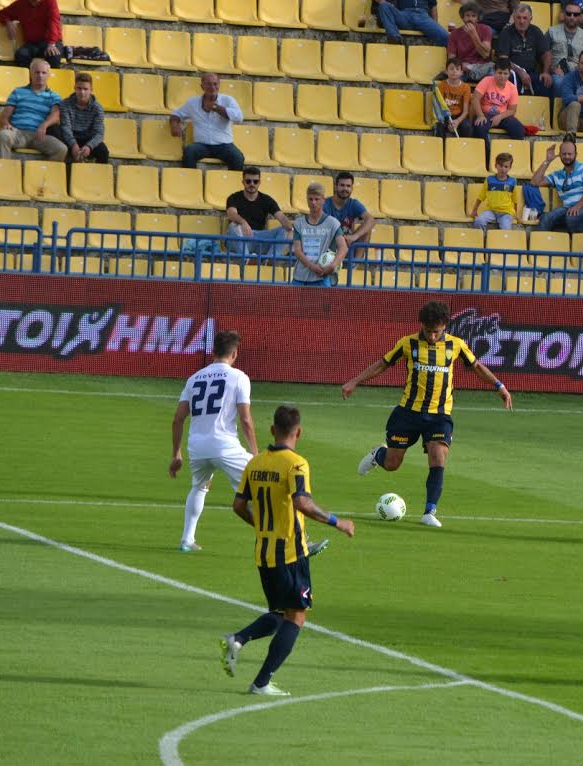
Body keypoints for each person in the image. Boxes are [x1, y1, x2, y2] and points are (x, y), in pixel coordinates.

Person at [219, 405, 356, 697]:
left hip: (263, 552)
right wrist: (338, 522)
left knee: (279, 614)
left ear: (272, 430)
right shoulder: (296, 464)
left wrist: (262, 527)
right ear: (299, 432)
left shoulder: (255, 463)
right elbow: (302, 503)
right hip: (291, 554)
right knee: (296, 617)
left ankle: (238, 639)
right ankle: (261, 682)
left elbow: (238, 505)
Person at [342, 301, 513, 529]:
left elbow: (477, 366)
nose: (432, 336)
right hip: (408, 413)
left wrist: (499, 386)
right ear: (421, 324)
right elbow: (382, 364)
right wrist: (355, 381)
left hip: (439, 416)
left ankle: (429, 511)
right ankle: (379, 454)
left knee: (438, 455)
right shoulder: (408, 343)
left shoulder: (456, 345)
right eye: (429, 331)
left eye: (437, 332)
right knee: (392, 464)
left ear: (445, 327)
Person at [169, 330, 258, 553]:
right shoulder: (239, 377)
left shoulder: (194, 378)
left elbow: (178, 419)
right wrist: (255, 453)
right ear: (234, 354)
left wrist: (176, 453)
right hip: (224, 446)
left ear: (213, 352)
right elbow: (246, 419)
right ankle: (292, 539)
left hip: (197, 447)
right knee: (264, 483)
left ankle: (187, 540)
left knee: (199, 487)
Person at [170, 72, 245, 171]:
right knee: (189, 152)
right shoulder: (192, 102)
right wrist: (174, 125)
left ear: (219, 85)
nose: (212, 87)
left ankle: (234, 181)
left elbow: (239, 118)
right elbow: (176, 114)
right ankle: (191, 180)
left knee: (238, 157)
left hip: (224, 145)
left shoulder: (228, 100)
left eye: (215, 84)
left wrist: (216, 108)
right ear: (202, 86)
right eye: (208, 84)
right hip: (202, 145)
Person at [530, 137, 583, 233]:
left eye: (570, 154)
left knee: (572, 217)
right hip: (568, 209)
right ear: (559, 155)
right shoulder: (557, 175)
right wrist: (547, 161)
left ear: (576, 154)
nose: (567, 156)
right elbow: (534, 182)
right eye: (564, 154)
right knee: (546, 218)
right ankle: (540, 242)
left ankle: (576, 240)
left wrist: (577, 207)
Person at [0, 58, 66, 160]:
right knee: (3, 136)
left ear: (49, 75)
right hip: (18, 132)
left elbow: (56, 116)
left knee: (61, 149)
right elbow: (5, 116)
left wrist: (44, 125)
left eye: (44, 73)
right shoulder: (18, 92)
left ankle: (44, 170)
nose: (40, 75)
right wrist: (6, 124)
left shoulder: (54, 96)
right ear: (31, 74)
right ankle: (4, 168)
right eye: (37, 72)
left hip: (39, 135)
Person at [225, 167, 294, 258]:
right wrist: (243, 222)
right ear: (243, 182)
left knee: (285, 230)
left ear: (259, 183)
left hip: (259, 240)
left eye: (255, 181)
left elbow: (281, 217)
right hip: (239, 239)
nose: (252, 184)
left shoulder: (266, 200)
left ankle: (270, 260)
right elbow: (231, 214)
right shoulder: (234, 197)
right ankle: (247, 259)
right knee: (234, 226)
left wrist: (292, 228)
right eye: (248, 181)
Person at [291, 182, 347, 287]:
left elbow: (343, 248)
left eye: (317, 199)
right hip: (300, 277)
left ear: (323, 200)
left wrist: (333, 265)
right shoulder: (299, 223)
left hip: (321, 277)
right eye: (310, 199)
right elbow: (297, 250)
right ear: (307, 200)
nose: (313, 203)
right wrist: (311, 266)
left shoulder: (332, 223)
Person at [55, 71, 107, 176]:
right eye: (79, 88)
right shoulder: (65, 104)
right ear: (74, 88)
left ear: (91, 90)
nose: (82, 92)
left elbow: (99, 133)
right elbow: (66, 127)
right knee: (58, 137)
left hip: (87, 137)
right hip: (70, 136)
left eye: (85, 89)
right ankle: (64, 177)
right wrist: (73, 145)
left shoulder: (98, 108)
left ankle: (99, 179)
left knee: (103, 151)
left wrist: (89, 146)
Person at [496, 3, 553, 96]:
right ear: (514, 18)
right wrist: (520, 72)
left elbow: (546, 54)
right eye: (518, 18)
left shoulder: (536, 31)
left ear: (530, 19)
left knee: (545, 81)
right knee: (508, 79)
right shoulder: (505, 33)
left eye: (525, 18)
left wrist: (546, 72)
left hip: (532, 72)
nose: (521, 21)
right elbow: (503, 59)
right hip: (512, 72)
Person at [471, 58, 526, 142]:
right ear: (494, 71)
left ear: (509, 73)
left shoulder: (512, 88)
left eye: (505, 73)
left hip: (502, 116)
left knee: (519, 129)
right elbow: (475, 99)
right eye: (500, 73)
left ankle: (509, 150)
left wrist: (499, 117)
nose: (502, 76)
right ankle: (487, 150)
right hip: (485, 114)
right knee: (480, 128)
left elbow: (512, 110)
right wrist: (480, 115)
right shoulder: (486, 81)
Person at [0, 0, 62, 69]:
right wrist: (8, 22)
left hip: (50, 42)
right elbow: (0, 14)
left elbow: (53, 22)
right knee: (21, 55)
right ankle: (28, 76)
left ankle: (51, 76)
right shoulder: (21, 3)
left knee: (53, 55)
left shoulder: (50, 2)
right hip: (31, 44)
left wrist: (51, 43)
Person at [324, 171, 376, 255]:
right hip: (329, 245)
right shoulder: (325, 204)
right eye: (342, 185)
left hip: (347, 243)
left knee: (366, 230)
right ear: (336, 187)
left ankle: (356, 262)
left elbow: (371, 220)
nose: (345, 189)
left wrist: (355, 236)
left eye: (348, 186)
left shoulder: (354, 204)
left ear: (352, 188)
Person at [547, 2, 583, 93]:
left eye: (575, 15)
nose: (572, 17)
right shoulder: (551, 32)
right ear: (564, 15)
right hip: (557, 71)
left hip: (578, 73)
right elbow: (543, 55)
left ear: (580, 16)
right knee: (559, 82)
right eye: (569, 14)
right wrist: (553, 69)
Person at [447, 3, 494, 83]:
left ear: (478, 18)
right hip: (463, 68)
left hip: (482, 67)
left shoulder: (486, 29)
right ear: (462, 17)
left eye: (473, 16)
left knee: (493, 74)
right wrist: (461, 65)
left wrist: (473, 35)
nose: (470, 18)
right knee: (453, 76)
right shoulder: (454, 34)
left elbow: (485, 54)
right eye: (467, 15)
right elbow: (451, 58)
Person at [472, 152, 517, 230]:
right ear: (496, 165)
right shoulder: (489, 180)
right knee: (479, 221)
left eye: (506, 166)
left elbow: (515, 200)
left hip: (506, 212)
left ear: (510, 167)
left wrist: (515, 214)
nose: (503, 169)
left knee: (506, 228)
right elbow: (481, 197)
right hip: (491, 211)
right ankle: (484, 236)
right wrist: (474, 210)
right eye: (501, 166)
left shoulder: (512, 181)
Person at [373, 0, 448, 45]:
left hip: (423, 17)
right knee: (384, 5)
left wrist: (435, 25)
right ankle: (394, 37)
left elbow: (433, 7)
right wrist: (383, 1)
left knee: (446, 37)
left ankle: (450, 63)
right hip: (404, 15)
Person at [437, 58, 477, 138]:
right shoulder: (441, 85)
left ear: (461, 72)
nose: (454, 71)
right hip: (445, 115)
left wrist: (458, 121)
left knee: (467, 128)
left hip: (459, 116)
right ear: (446, 71)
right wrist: (448, 121)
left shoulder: (466, 87)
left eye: (457, 69)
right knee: (439, 126)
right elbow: (439, 106)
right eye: (451, 69)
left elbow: (465, 111)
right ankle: (441, 145)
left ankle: (463, 145)